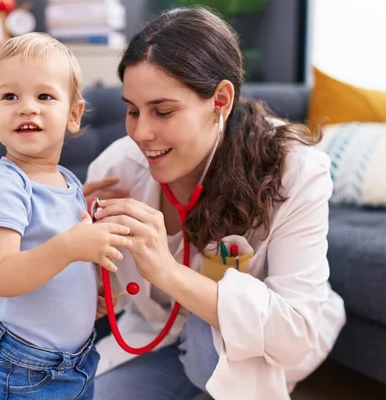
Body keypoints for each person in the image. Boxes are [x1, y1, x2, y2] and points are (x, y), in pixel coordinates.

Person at [86, 6, 347, 400]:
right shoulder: (116, 169)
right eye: (132, 110)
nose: (141, 132)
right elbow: (90, 297)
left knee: (207, 344)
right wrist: (74, 243)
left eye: (163, 110)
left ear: (221, 100)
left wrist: (166, 270)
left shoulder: (295, 170)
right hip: (163, 340)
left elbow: (295, 331)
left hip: (257, 349)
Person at [0, 32, 132, 399]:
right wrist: (72, 247)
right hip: (27, 367)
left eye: (44, 96)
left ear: (73, 114)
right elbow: (3, 277)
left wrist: (91, 289)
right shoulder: (4, 187)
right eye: (10, 96)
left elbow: (62, 257)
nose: (27, 107)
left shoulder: (69, 182)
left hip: (77, 358)